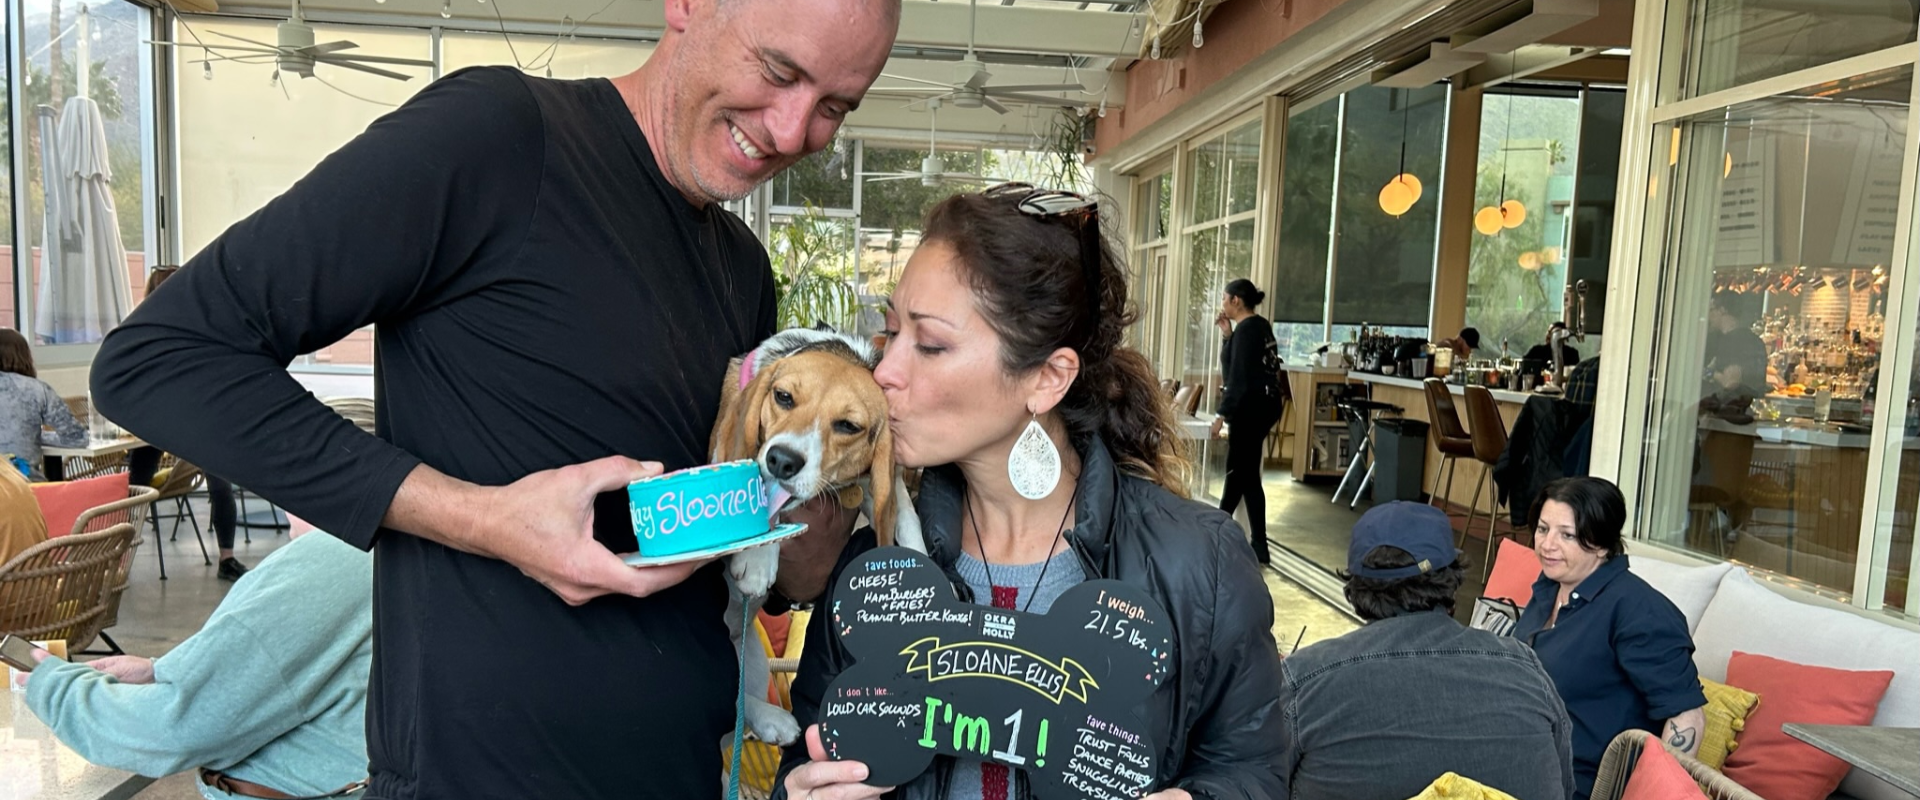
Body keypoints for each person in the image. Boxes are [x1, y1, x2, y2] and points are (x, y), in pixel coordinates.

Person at [87, 0, 900, 795]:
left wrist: (800, 527)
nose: (794, 132)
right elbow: (160, 359)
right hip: (481, 768)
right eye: (777, 69)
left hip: (680, 761)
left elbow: (715, 525)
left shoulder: (742, 268)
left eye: (833, 106)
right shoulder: (498, 140)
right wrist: (482, 518)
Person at [777, 184, 1285, 800]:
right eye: (890, 331)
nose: (885, 371)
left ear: (1047, 379)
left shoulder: (1199, 567)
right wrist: (802, 790)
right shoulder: (876, 569)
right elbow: (808, 750)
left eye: (931, 345)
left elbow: (1254, 772)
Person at [17, 516, 372, 800]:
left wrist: (54, 687)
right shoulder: (393, 548)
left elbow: (172, 727)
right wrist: (165, 669)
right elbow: (316, 665)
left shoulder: (332, 557)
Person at [1280, 502, 1572, 800]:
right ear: (1452, 580)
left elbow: (1256, 781)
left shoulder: (1306, 679)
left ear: (1356, 589)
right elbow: (1563, 782)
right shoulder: (1524, 668)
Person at [1514, 477, 1707, 800]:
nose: (1547, 544)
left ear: (1602, 544)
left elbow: (1687, 714)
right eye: (1543, 529)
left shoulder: (1638, 610)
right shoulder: (1550, 586)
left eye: (1567, 535)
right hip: (1518, 760)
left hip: (1576, 785)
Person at [141, 265, 248, 581]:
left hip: (163, 419)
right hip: (186, 418)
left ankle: (114, 557)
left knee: (135, 484)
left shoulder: (151, 330)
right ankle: (226, 558)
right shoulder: (193, 326)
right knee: (217, 483)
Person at [1210, 277, 1284, 563]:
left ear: (1235, 301)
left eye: (1224, 298)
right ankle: (1258, 544)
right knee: (1246, 475)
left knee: (1238, 472)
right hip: (1265, 406)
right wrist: (1228, 336)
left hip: (1250, 409)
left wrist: (1220, 416)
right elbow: (1235, 369)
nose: (1222, 304)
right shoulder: (1259, 327)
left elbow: (1236, 381)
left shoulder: (1248, 331)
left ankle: (1216, 530)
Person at [0, 328, 88, 482]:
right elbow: (76, 437)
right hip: (25, 488)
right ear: (24, 356)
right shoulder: (37, 389)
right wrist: (35, 436)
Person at [1704, 293, 1770, 401]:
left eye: (1711, 310)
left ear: (1722, 310)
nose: (1709, 315)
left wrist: (1707, 372)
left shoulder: (1733, 342)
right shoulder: (1754, 340)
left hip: (1730, 411)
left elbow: (1730, 382)